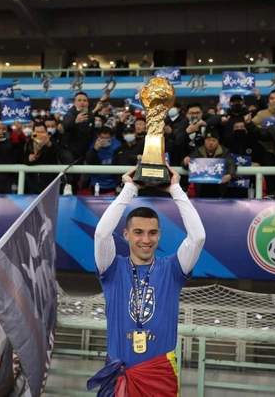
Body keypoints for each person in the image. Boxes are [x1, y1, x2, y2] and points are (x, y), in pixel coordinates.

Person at [87, 166, 206, 396]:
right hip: (119, 376)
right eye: (138, 232)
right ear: (126, 234)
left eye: (152, 233)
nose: (146, 239)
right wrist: (129, 189)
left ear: (159, 235)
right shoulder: (111, 268)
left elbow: (198, 237)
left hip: (159, 377)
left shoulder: (173, 269)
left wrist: (175, 189)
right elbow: (101, 234)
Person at [183, 129, 236, 198]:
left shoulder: (225, 152)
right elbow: (186, 165)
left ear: (218, 142)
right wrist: (185, 162)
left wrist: (230, 175)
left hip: (219, 188)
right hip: (201, 189)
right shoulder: (198, 151)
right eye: (208, 140)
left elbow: (231, 164)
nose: (211, 143)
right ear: (204, 141)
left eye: (213, 140)